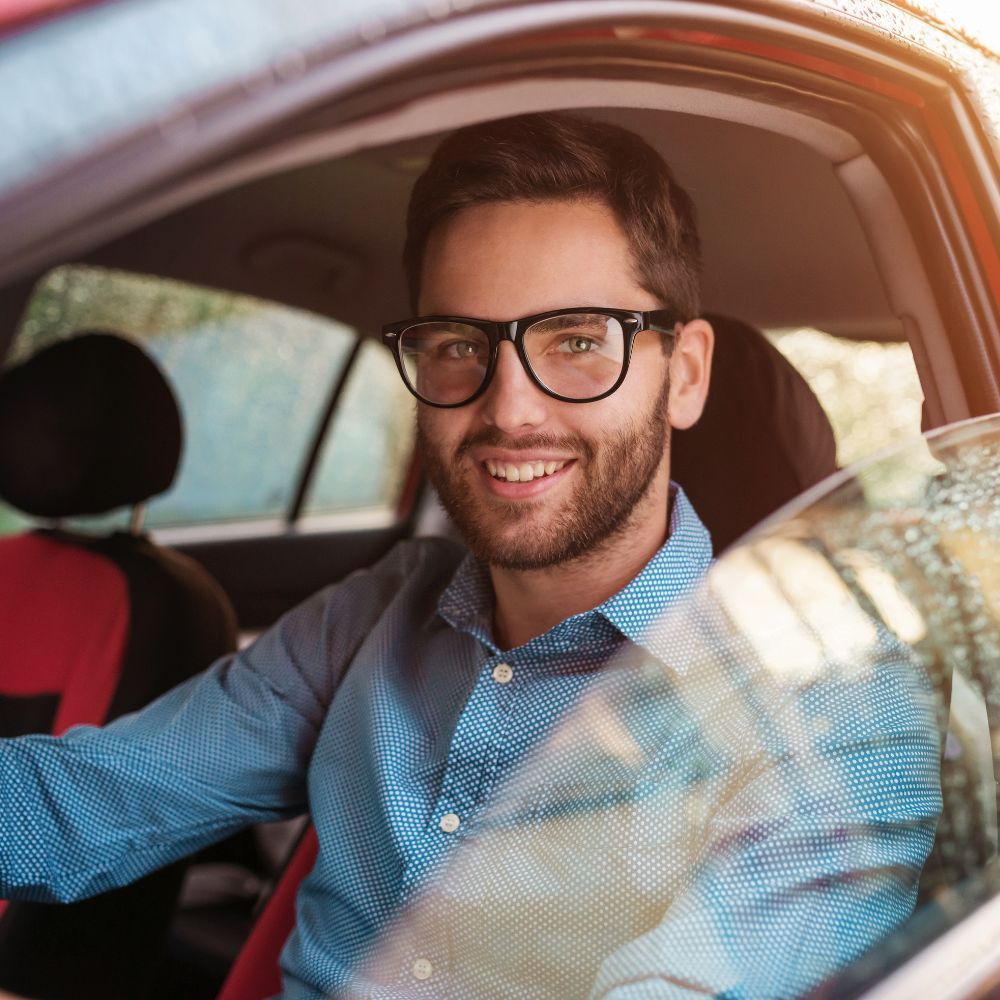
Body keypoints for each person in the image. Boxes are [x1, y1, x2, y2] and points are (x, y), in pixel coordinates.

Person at [0, 113, 940, 999]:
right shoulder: (371, 616)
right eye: (459, 344)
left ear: (684, 374)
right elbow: (81, 806)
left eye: (578, 342)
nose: (509, 409)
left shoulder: (835, 713)